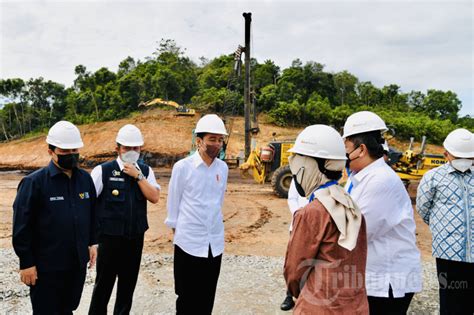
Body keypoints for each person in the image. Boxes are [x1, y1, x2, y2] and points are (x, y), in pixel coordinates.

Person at [12, 120, 97, 314]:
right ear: (51, 152)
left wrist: (92, 243)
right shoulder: (34, 183)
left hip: (76, 264)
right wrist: (26, 263)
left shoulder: (85, 180)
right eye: (64, 152)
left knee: (69, 309)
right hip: (46, 268)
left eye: (74, 150)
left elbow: (91, 213)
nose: (71, 155)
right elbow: (21, 227)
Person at [343, 111, 422, 314]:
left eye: (346, 148)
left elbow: (356, 232)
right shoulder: (359, 177)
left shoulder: (380, 181)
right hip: (372, 275)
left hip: (387, 281)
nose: (343, 154)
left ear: (361, 149)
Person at [284, 124, 368, 314]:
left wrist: (303, 292)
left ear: (309, 166)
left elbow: (294, 271)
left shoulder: (311, 212)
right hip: (354, 305)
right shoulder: (350, 204)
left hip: (319, 305)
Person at [88, 124, 160, 315]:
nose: (131, 151)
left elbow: (154, 197)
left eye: (135, 148)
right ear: (118, 148)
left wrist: (138, 177)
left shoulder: (146, 170)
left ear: (140, 149)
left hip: (134, 239)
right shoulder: (102, 171)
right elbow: (88, 206)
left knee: (127, 288)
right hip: (109, 240)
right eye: (127, 148)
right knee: (103, 286)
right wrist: (91, 240)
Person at [165, 114, 228, 315]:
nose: (217, 144)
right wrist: (181, 234)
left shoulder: (223, 168)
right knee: (186, 298)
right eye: (212, 139)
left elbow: (218, 202)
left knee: (207, 297)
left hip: (214, 245)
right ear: (198, 141)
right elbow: (173, 207)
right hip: (188, 244)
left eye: (220, 140)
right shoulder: (182, 168)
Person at [416, 128, 474, 315]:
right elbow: (423, 208)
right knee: (451, 302)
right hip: (448, 252)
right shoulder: (433, 177)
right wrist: (443, 228)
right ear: (446, 154)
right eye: (458, 156)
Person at [280, 179, 308, 311]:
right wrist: (301, 215)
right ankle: (289, 294)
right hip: (298, 224)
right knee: (293, 261)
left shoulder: (325, 176)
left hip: (318, 225)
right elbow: (292, 198)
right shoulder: (298, 177)